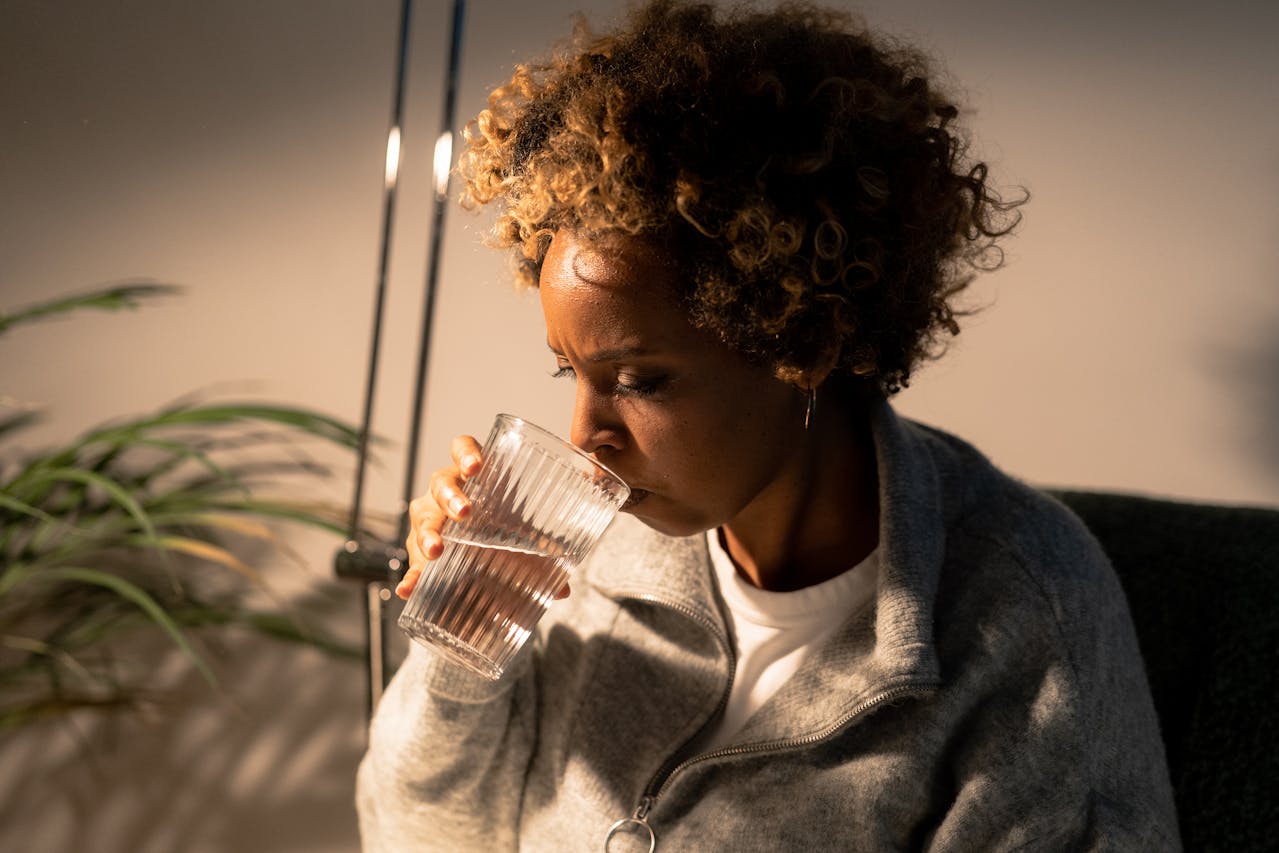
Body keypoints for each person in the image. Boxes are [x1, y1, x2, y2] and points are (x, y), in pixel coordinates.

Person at [356, 1, 1179, 849]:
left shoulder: (1021, 608)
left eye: (639, 379)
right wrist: (463, 651)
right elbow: (415, 835)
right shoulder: (575, 552)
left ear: (806, 341)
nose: (585, 436)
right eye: (573, 372)